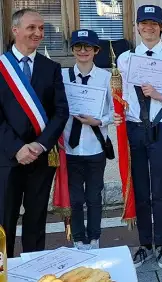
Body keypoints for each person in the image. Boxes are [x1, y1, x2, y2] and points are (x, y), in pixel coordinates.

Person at [113, 5, 162, 269]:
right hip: (135, 127)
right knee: (141, 189)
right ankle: (144, 243)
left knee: (159, 187)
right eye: (143, 23)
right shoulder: (124, 59)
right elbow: (117, 96)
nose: (148, 28)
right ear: (136, 26)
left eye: (154, 24)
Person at [0, 8, 69, 258]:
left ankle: (32, 266)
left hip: (40, 157)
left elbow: (61, 112)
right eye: (32, 28)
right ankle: (3, 271)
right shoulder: (1, 67)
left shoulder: (51, 67)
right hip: (7, 158)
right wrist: (17, 148)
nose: (38, 33)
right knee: (4, 220)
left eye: (41, 28)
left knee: (36, 218)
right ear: (15, 30)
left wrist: (39, 145)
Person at [62, 29, 113, 250]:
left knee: (94, 196)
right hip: (70, 148)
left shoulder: (107, 77)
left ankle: (94, 237)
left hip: (95, 147)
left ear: (96, 51)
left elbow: (114, 111)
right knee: (75, 199)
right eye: (78, 47)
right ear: (73, 50)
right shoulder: (62, 76)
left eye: (88, 47)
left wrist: (99, 121)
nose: (83, 51)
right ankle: (78, 238)